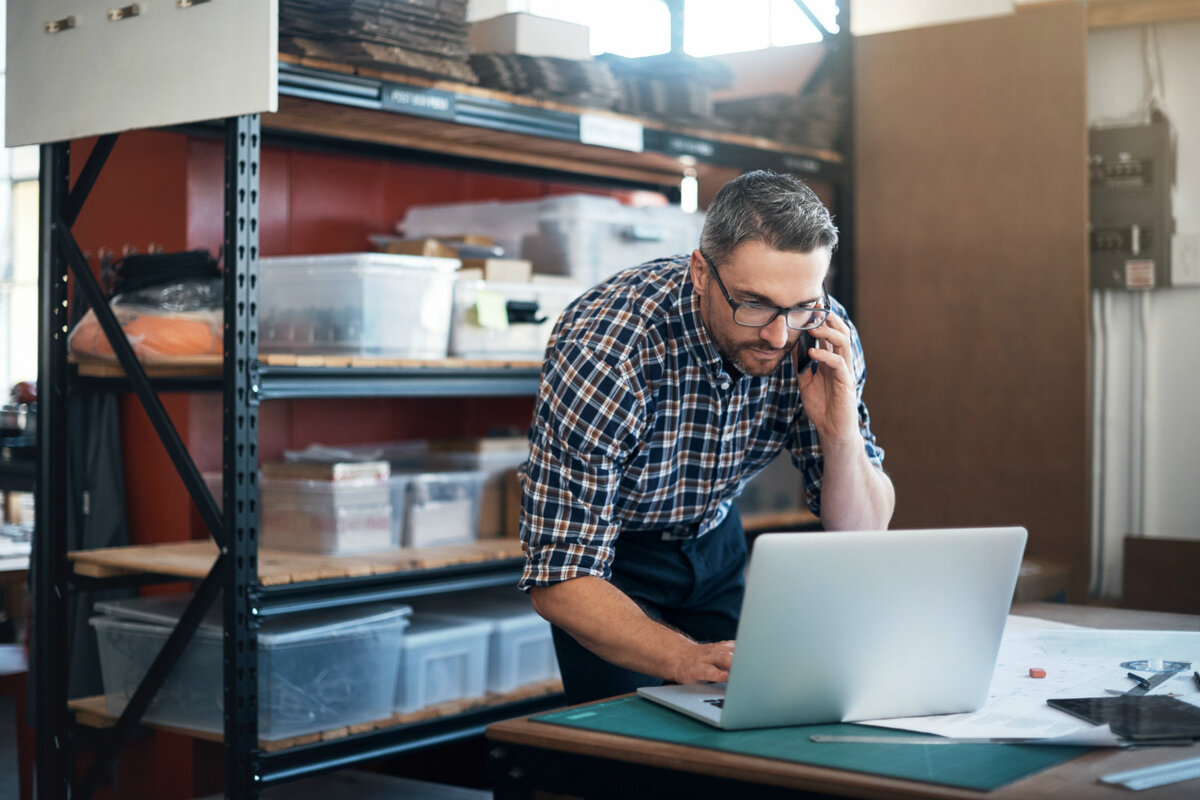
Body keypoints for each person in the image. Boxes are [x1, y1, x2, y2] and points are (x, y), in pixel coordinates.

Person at [518, 170, 895, 705]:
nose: (778, 335)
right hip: (611, 562)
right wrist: (683, 658)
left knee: (750, 727)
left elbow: (861, 532)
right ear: (700, 271)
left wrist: (841, 436)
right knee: (636, 760)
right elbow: (559, 576)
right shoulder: (609, 349)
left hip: (716, 540)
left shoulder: (819, 332)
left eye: (800, 306)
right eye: (754, 303)